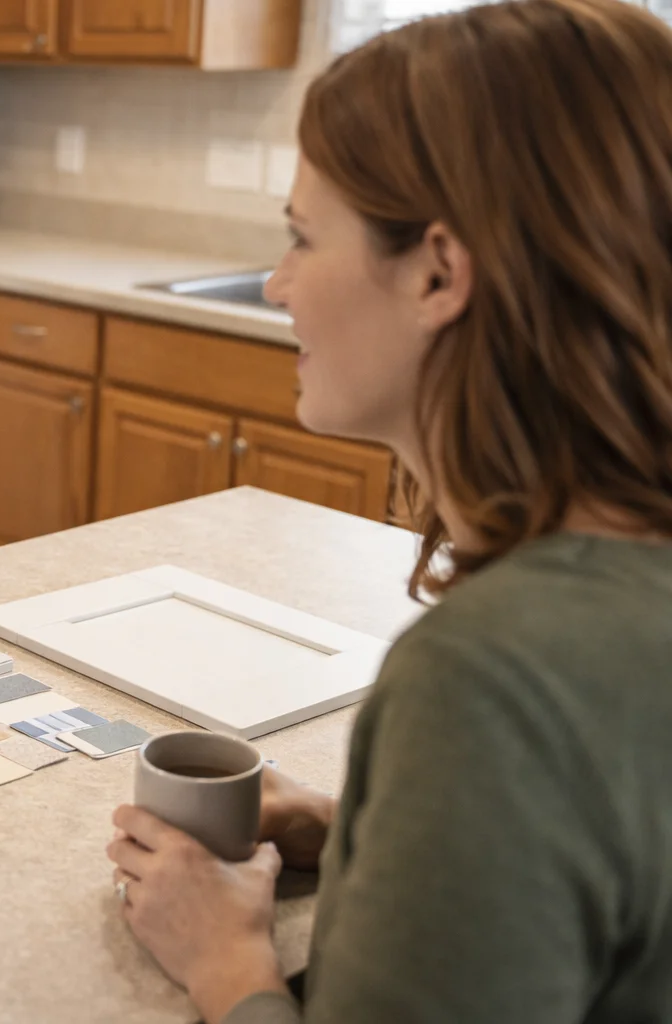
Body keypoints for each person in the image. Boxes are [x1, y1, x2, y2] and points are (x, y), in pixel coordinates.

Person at [105, 0, 672, 1020]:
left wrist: (228, 956)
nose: (277, 285)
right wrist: (371, 822)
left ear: (440, 272)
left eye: (302, 238)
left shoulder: (493, 677)